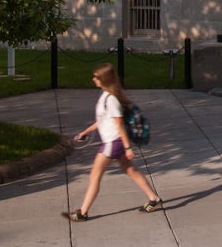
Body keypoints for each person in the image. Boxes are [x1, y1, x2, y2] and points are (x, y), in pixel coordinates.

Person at [63, 63, 162, 220]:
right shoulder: (106, 96)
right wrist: (85, 132)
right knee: (131, 171)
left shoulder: (111, 100)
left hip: (113, 143)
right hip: (114, 142)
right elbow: (102, 120)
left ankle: (82, 212)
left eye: (96, 77)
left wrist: (128, 147)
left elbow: (120, 125)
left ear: (103, 79)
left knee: (95, 175)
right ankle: (154, 199)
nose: (93, 79)